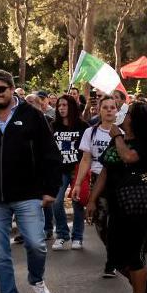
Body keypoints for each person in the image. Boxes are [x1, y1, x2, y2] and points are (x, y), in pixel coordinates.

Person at [86, 99, 147, 293]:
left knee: (134, 255)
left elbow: (129, 157)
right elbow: (105, 170)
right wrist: (92, 200)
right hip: (116, 205)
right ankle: (144, 285)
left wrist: (116, 136)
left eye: (128, 113)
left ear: (137, 119)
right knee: (115, 256)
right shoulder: (121, 139)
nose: (124, 115)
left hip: (139, 207)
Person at [0, 69, 60, 293]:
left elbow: (50, 154)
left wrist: (49, 190)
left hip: (28, 194)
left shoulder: (32, 116)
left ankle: (36, 279)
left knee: (36, 244)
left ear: (12, 90)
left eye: (1, 89)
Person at [73, 90, 123, 277]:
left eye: (112, 108)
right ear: (99, 110)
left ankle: (111, 261)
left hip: (117, 182)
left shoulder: (123, 132)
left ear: (117, 111)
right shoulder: (90, 132)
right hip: (96, 180)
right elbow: (85, 159)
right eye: (105, 108)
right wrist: (78, 183)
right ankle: (114, 252)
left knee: (116, 222)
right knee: (100, 222)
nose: (109, 111)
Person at [50, 94, 89, 251]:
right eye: (59, 105)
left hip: (77, 169)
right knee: (56, 201)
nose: (61, 108)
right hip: (60, 170)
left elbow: (87, 151)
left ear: (72, 107)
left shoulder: (83, 126)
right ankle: (62, 234)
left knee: (77, 202)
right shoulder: (53, 126)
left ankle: (77, 237)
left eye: (65, 105)